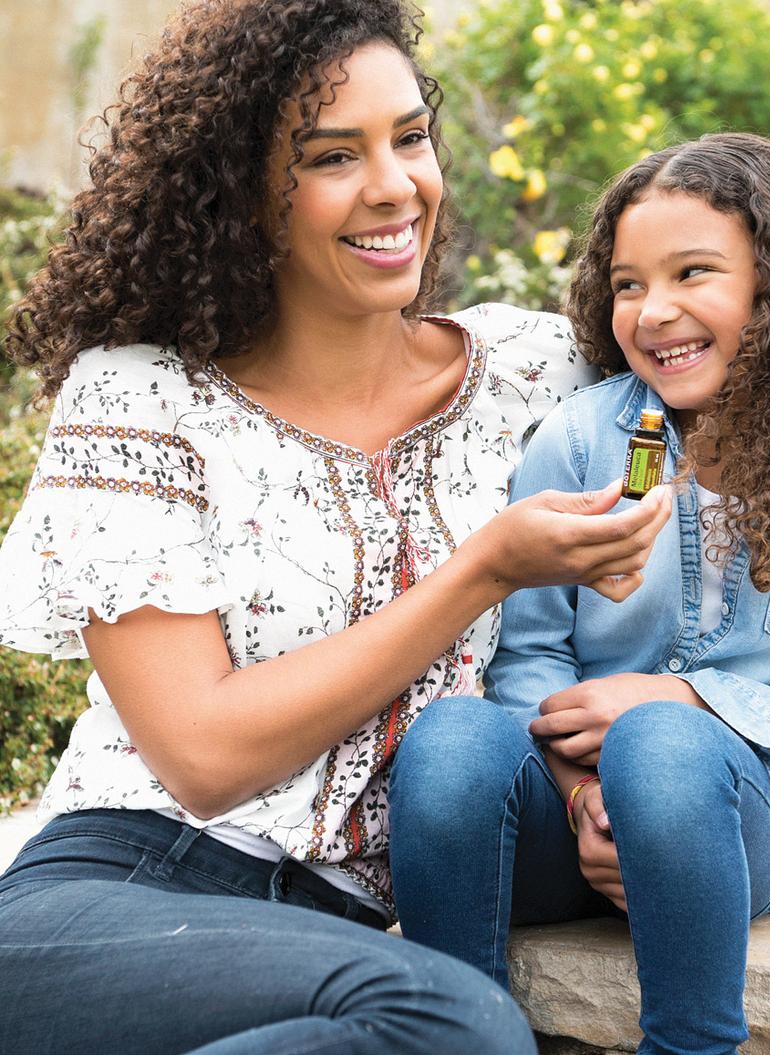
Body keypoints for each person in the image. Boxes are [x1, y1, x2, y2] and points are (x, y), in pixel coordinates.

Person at [0, 2, 674, 1052]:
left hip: (327, 939)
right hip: (113, 891)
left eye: (410, 136)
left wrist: (638, 741)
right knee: (450, 1020)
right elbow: (204, 754)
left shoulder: (534, 378)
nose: (394, 185)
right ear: (239, 196)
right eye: (331, 156)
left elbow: (746, 421)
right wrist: (481, 569)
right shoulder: (141, 400)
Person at [388, 133, 770, 1055]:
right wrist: (577, 798)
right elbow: (529, 657)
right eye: (629, 283)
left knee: (664, 744)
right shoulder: (581, 442)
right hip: (566, 820)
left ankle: (691, 1044)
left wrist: (679, 698)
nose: (655, 311)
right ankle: (457, 1034)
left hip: (724, 831)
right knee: (449, 737)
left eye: (694, 273)